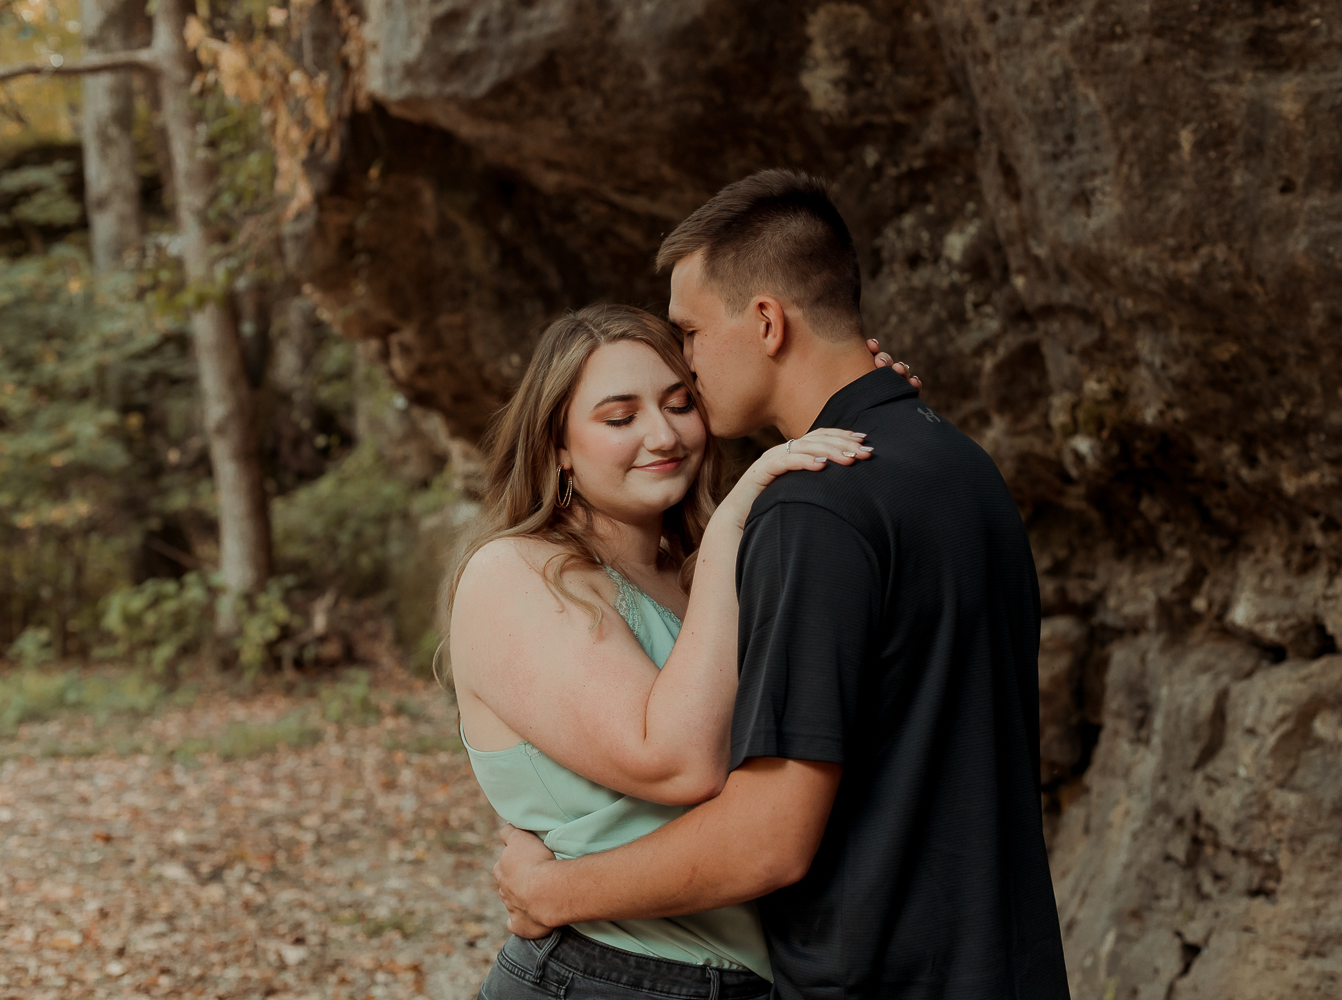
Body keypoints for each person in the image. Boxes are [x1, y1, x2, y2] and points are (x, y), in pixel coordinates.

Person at [492, 170, 1071, 1000]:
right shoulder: (954, 462)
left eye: (689, 333)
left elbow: (768, 839)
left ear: (765, 321)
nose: (687, 367)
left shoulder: (813, 508)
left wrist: (551, 892)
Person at [448, 302, 885, 999]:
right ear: (557, 445)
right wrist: (737, 517)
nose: (662, 434)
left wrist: (861, 401)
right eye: (619, 418)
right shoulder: (515, 574)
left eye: (680, 404)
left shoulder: (694, 573)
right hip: (599, 976)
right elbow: (680, 761)